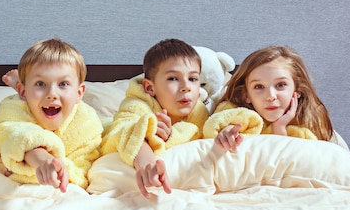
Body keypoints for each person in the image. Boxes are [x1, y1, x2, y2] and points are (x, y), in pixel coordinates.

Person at [0, 38, 103, 192]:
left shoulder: (86, 122)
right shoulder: (13, 109)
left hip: (37, 102)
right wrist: (39, 157)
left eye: (63, 84)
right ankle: (26, 89)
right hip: (21, 108)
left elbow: (82, 173)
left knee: (110, 126)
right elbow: (11, 134)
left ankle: (28, 87)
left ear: (79, 93)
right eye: (41, 84)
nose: (52, 94)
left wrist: (31, 165)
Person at [100, 38, 209, 199]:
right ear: (150, 87)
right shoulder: (137, 104)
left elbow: (205, 136)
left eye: (193, 79)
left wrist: (172, 136)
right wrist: (148, 164)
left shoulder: (198, 110)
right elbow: (125, 132)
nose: (186, 86)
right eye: (173, 78)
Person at [203, 45, 334, 153]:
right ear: (246, 95)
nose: (270, 96)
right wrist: (224, 133)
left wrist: (279, 129)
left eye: (280, 85)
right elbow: (211, 129)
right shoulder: (236, 116)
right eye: (259, 87)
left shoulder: (309, 123)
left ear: (297, 91)